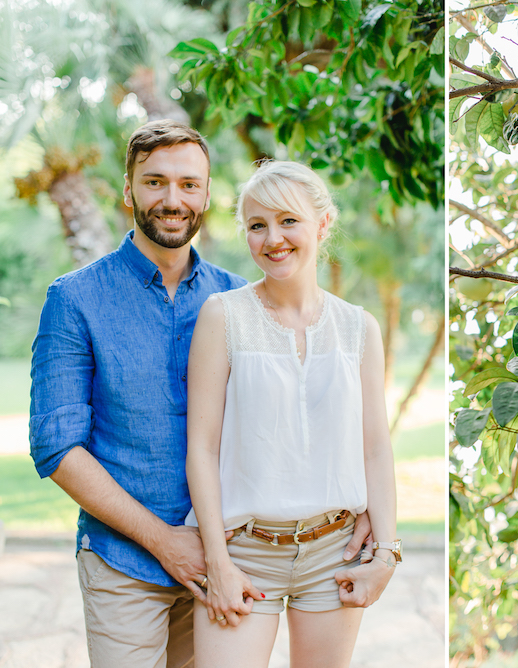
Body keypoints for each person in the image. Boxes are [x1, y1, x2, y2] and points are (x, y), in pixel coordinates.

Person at [28, 120, 371, 668]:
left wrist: (366, 503)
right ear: (127, 191)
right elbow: (56, 447)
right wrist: (166, 541)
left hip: (231, 557)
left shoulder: (240, 299)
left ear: (207, 195)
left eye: (189, 184)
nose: (172, 198)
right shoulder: (74, 299)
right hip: (124, 561)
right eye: (154, 182)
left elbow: (299, 425)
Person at [184, 160, 399, 668]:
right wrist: (217, 561)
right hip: (245, 552)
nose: (273, 238)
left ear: (322, 225)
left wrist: (386, 553)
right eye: (257, 225)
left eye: (288, 221)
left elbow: (375, 447)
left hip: (334, 553)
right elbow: (202, 448)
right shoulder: (223, 316)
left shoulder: (359, 329)